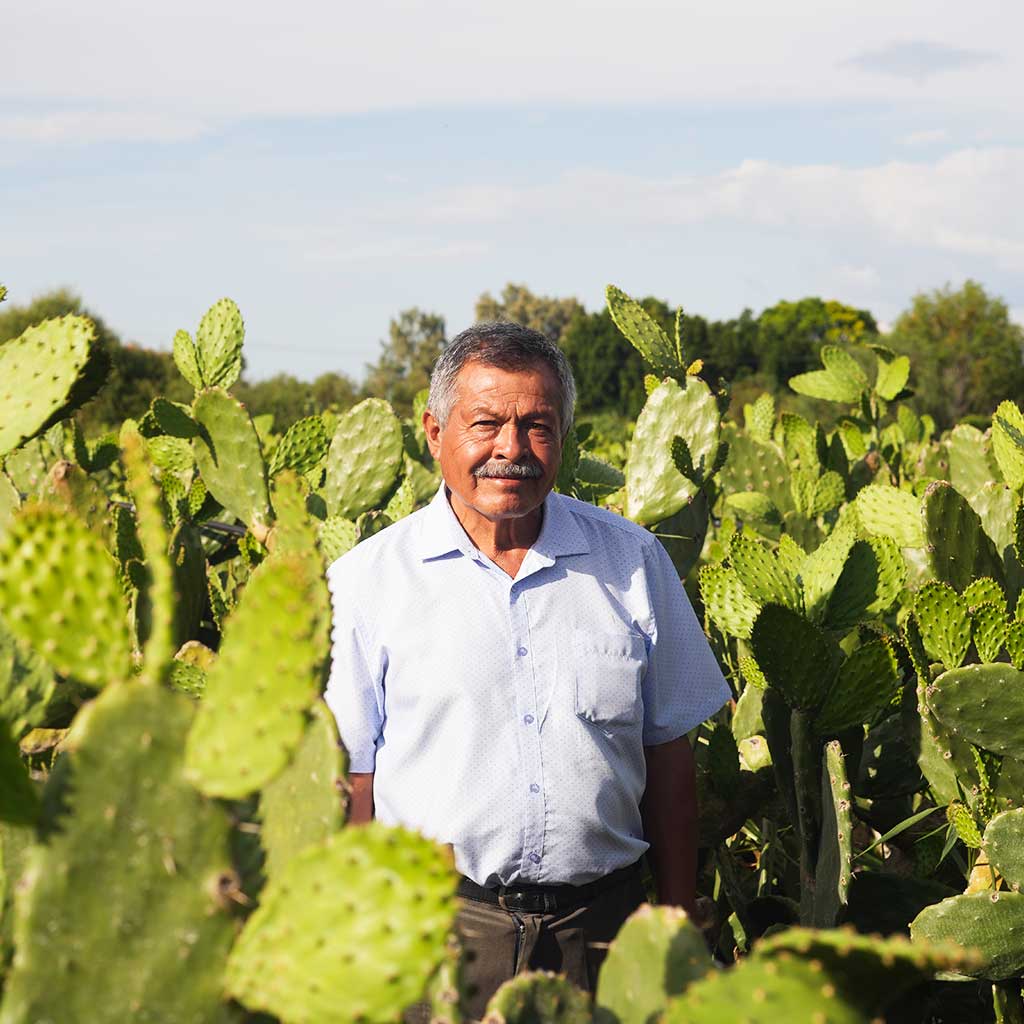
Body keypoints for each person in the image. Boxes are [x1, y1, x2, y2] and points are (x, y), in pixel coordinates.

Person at [325, 321, 730, 1017]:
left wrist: (676, 920)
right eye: (486, 424)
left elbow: (669, 760)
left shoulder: (632, 562)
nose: (511, 450)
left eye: (537, 427)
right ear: (433, 431)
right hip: (434, 936)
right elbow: (354, 780)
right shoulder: (367, 582)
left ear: (564, 438)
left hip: (603, 933)